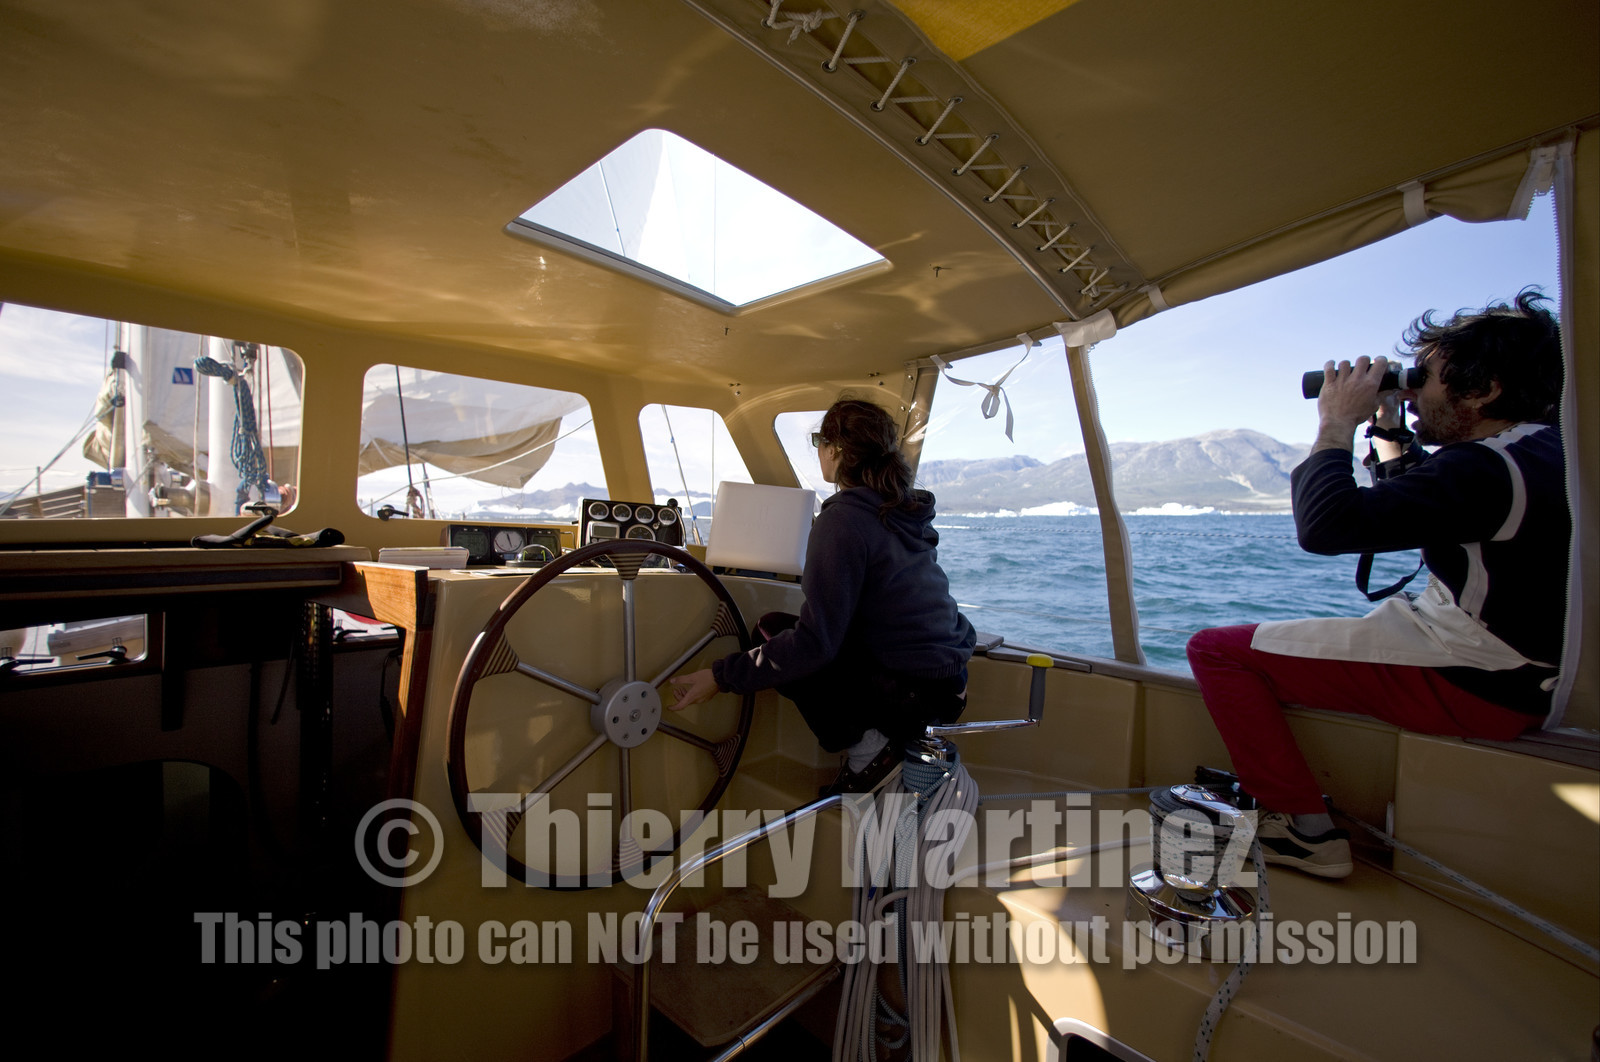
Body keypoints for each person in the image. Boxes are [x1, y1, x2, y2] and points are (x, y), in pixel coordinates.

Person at [1187, 290, 1567, 879]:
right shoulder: (1542, 451)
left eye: (1426, 377)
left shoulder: (1487, 466)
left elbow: (1325, 527)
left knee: (1216, 650)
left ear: (1483, 389)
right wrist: (1389, 428)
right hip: (1529, 675)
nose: (1413, 393)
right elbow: (1429, 505)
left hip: (1474, 677)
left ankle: (1304, 831)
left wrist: (1337, 423)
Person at [668, 398, 977, 794]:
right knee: (807, 637)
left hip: (914, 700)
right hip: (951, 686)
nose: (818, 451)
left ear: (836, 450)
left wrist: (720, 676)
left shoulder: (844, 519)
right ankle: (888, 742)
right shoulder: (903, 511)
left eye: (819, 441)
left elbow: (815, 645)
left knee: (772, 631)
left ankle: (872, 755)